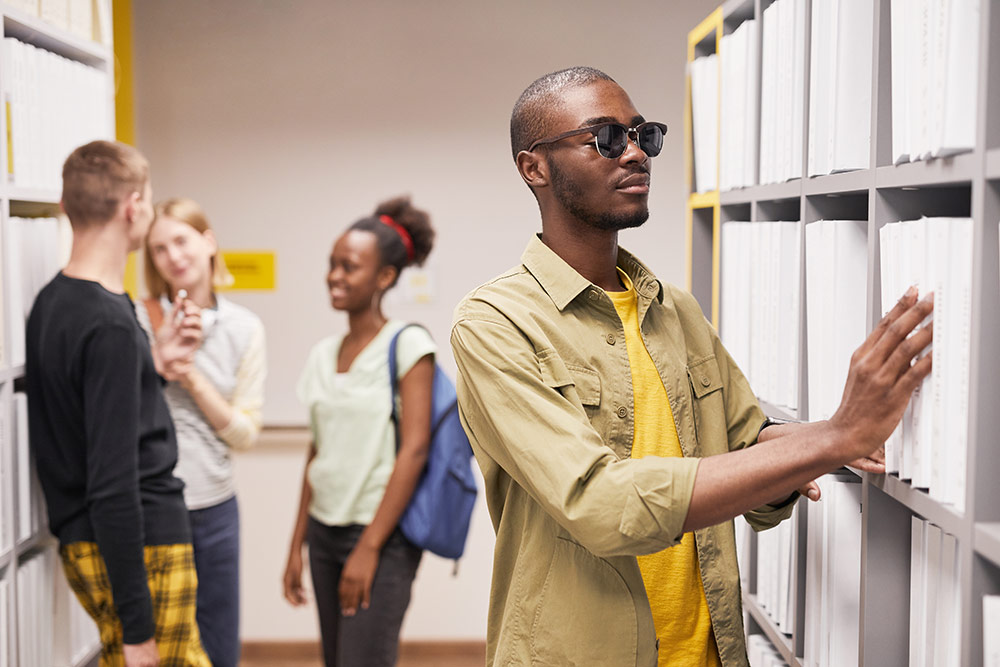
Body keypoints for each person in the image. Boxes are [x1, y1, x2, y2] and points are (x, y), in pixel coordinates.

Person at [449, 67, 933, 667]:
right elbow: (598, 505)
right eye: (604, 138)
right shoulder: (494, 324)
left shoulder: (673, 307)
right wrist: (834, 436)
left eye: (642, 135)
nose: (633, 153)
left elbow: (745, 440)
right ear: (535, 168)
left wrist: (823, 441)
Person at [26, 140, 210, 667]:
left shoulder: (54, 301)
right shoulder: (107, 322)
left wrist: (150, 364)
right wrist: (137, 629)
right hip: (142, 544)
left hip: (96, 542)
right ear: (133, 208)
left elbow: (86, 409)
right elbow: (112, 479)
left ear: (67, 207)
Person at [282, 196, 437, 667]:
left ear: (385, 278)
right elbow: (317, 455)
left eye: (349, 267)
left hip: (379, 537)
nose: (335, 276)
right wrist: (296, 546)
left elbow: (414, 451)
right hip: (324, 535)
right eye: (332, 264)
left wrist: (369, 548)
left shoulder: (408, 345)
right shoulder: (323, 354)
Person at [134, 197, 267, 667]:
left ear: (208, 242)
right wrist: (159, 355)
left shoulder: (244, 328)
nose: (173, 256)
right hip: (150, 507)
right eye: (158, 249)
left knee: (217, 647)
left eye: (181, 240)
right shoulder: (135, 320)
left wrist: (189, 374)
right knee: (158, 645)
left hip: (215, 512)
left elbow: (245, 435)